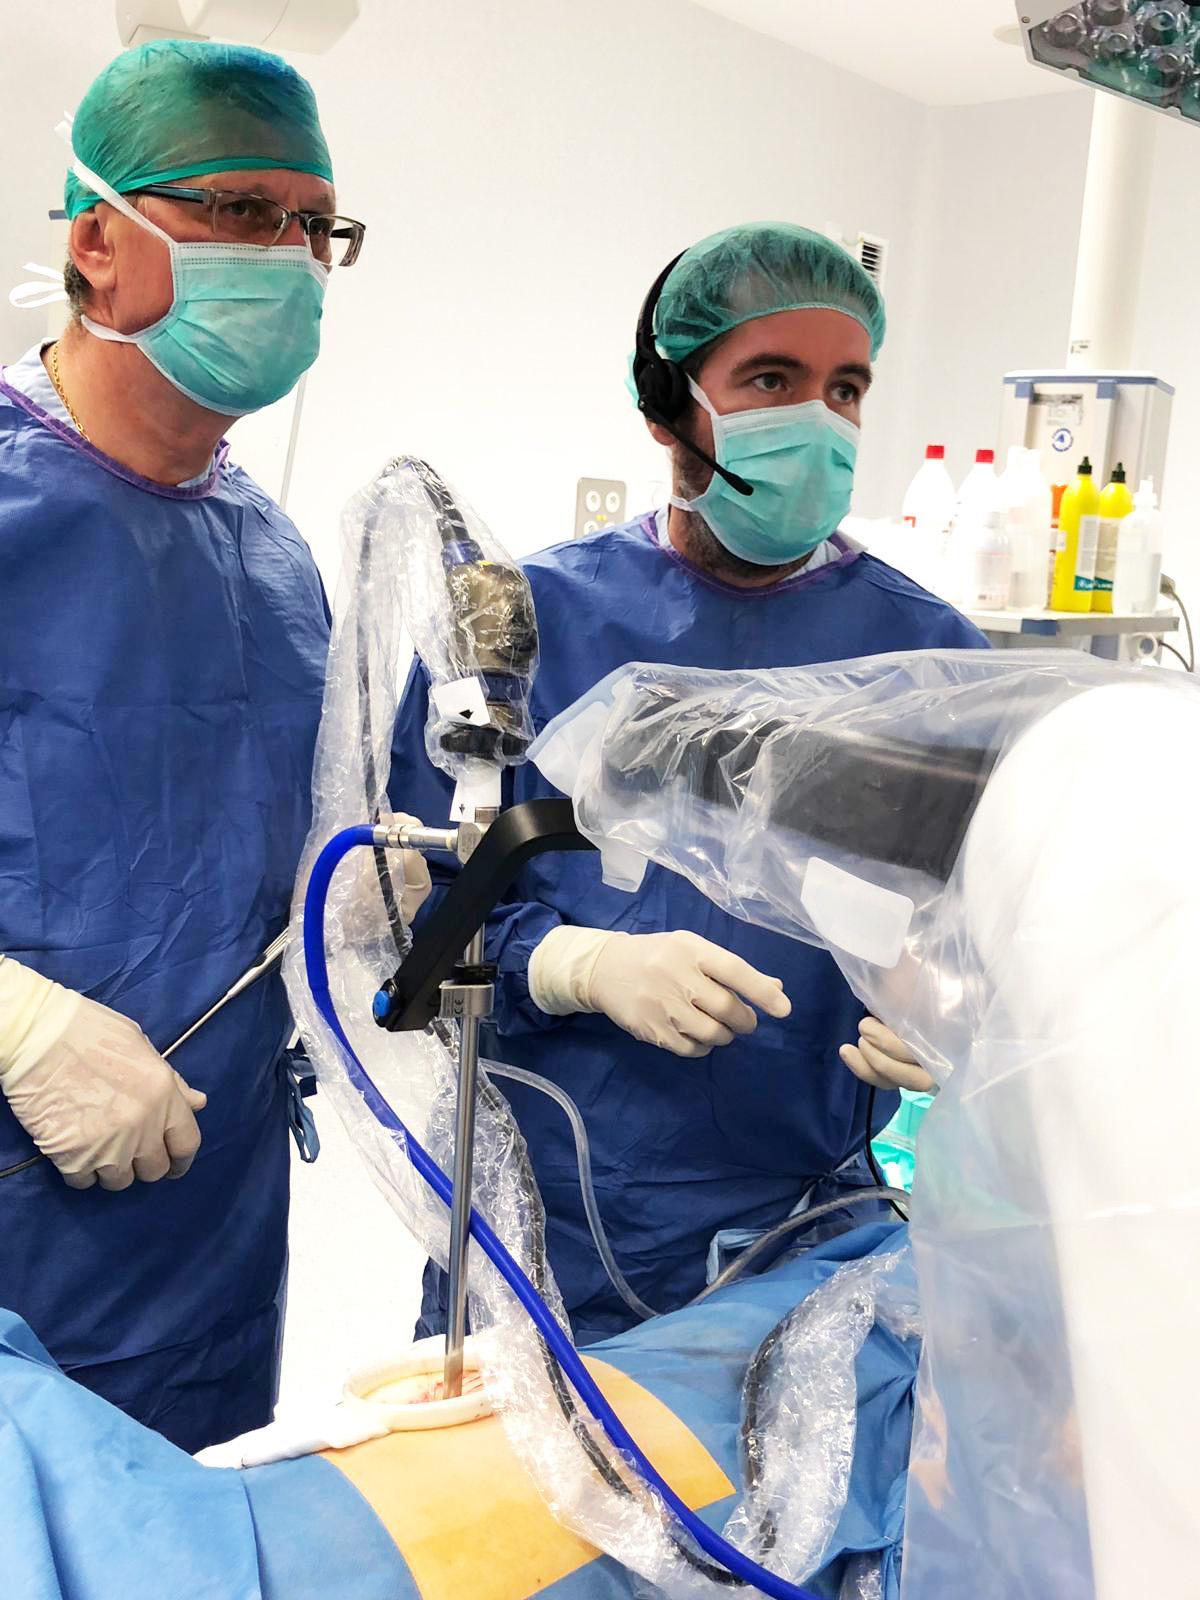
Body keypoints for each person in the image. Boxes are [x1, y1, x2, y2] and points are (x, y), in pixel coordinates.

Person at [389, 222, 981, 1345]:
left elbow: (983, 931)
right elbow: (410, 920)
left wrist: (958, 1021)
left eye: (847, 387)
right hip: (547, 1222)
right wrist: (575, 963)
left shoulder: (929, 661)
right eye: (772, 379)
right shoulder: (523, 625)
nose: (821, 419)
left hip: (807, 1232)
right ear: (669, 408)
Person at [0, 40, 427, 1454]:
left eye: (318, 227)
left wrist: (370, 897)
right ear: (99, 247)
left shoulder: (272, 554)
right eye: (244, 211)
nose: (293, 257)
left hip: (207, 1216)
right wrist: (19, 1022)